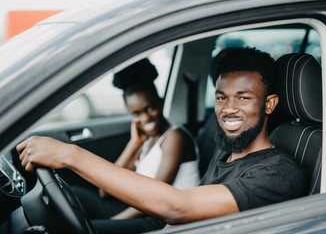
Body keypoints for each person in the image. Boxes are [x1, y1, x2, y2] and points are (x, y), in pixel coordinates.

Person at [17, 47, 308, 232]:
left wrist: (71, 155)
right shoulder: (227, 153)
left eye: (243, 98)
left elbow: (180, 207)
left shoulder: (279, 173)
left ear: (269, 104)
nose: (229, 108)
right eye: (221, 97)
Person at [71, 58, 201, 233]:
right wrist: (134, 144)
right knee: (73, 194)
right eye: (136, 114)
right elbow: (104, 191)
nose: (145, 118)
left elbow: (156, 198)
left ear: (160, 102)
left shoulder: (175, 137)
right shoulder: (147, 140)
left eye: (149, 108)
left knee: (88, 230)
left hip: (164, 219)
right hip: (145, 209)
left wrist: (114, 221)